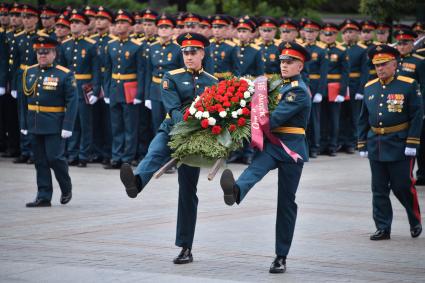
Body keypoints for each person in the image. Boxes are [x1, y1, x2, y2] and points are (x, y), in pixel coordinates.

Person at [119, 32, 218, 264]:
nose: (189, 56)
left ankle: (186, 247)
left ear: (202, 53)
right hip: (172, 128)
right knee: (154, 152)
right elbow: (173, 109)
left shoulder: (213, 82)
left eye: (193, 52)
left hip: (196, 139)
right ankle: (136, 183)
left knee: (187, 191)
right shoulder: (170, 77)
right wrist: (185, 126)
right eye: (185, 52)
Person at [219, 42, 311, 273]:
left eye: (290, 62)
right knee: (254, 169)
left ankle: (281, 256)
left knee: (286, 202)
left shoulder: (299, 90)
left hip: (291, 148)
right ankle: (236, 191)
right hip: (272, 145)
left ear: (300, 66)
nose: (284, 65)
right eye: (282, 61)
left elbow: (274, 118)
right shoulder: (275, 85)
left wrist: (243, 122)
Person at [358, 45, 423, 240]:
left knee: (402, 186)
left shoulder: (408, 84)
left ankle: (415, 219)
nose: (380, 68)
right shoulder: (370, 86)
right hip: (376, 143)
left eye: (384, 64)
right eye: (377, 65)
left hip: (400, 144)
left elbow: (417, 115)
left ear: (395, 64)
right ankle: (383, 227)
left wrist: (412, 143)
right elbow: (363, 118)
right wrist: (361, 142)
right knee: (378, 189)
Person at [20, 36, 77, 207]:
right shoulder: (29, 72)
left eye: (46, 52)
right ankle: (44, 196)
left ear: (54, 54)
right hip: (35, 123)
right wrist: (23, 123)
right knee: (40, 160)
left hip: (54, 124)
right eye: (39, 52)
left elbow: (72, 102)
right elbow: (23, 102)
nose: (42, 55)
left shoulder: (64, 74)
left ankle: (66, 187)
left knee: (54, 158)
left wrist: (67, 126)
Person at [59, 9, 101, 168]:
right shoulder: (65, 45)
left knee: (85, 123)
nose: (74, 25)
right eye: (72, 23)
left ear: (84, 26)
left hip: (85, 87)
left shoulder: (91, 45)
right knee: (71, 122)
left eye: (77, 23)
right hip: (70, 88)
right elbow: (61, 69)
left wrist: (95, 91)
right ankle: (72, 153)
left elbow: (96, 70)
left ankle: (84, 154)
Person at [103, 10, 145, 169]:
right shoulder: (111, 45)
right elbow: (108, 70)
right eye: (118, 23)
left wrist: (139, 93)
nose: (120, 25)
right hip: (114, 89)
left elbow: (141, 72)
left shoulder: (136, 46)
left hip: (130, 89)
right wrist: (106, 91)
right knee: (116, 126)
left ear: (130, 26)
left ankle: (127, 157)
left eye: (123, 23)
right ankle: (116, 156)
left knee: (130, 126)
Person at [393, 29, 425, 185]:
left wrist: (423, 108)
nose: (401, 46)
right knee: (399, 141)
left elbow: (424, 86)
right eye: (399, 43)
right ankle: (403, 174)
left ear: (412, 43)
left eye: (405, 43)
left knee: (418, 141)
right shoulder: (392, 61)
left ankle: (422, 174)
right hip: (397, 106)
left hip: (414, 107)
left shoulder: (419, 61)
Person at [319, 23, 350, 156]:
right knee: (322, 118)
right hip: (322, 87)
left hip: (335, 88)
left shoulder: (341, 51)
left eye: (331, 34)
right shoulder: (320, 49)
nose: (328, 36)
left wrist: (342, 92)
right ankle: (322, 144)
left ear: (336, 35)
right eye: (325, 33)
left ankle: (332, 145)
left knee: (334, 119)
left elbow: (345, 73)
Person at [301, 19, 328, 158]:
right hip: (303, 86)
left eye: (312, 31)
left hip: (316, 86)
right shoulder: (300, 48)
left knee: (315, 120)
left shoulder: (321, 50)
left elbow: (324, 74)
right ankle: (304, 147)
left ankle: (315, 147)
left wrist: (320, 92)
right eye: (307, 31)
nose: (309, 34)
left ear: (317, 33)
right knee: (303, 119)